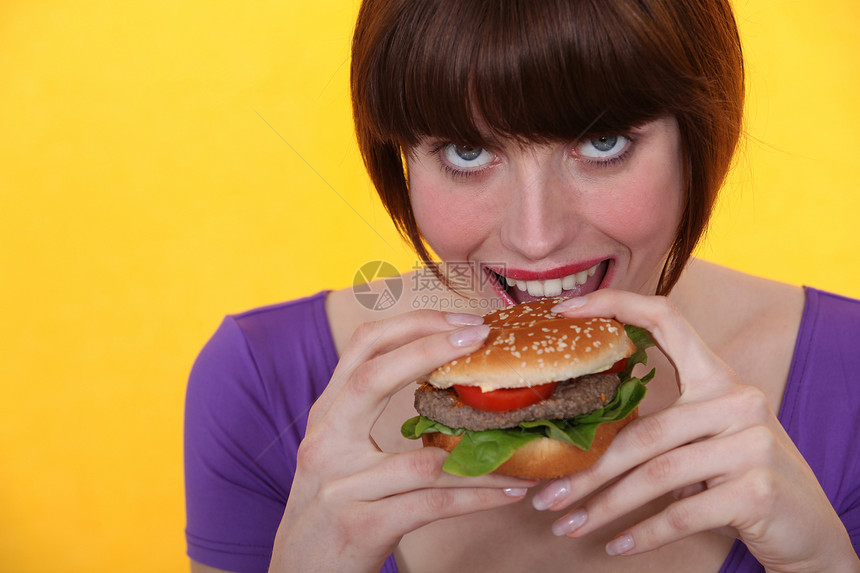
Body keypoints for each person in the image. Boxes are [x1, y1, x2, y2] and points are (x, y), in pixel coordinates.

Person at [184, 0, 860, 571]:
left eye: (602, 144)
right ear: (402, 162)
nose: (537, 237)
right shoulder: (257, 382)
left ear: (697, 136)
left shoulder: (847, 374)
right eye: (467, 151)